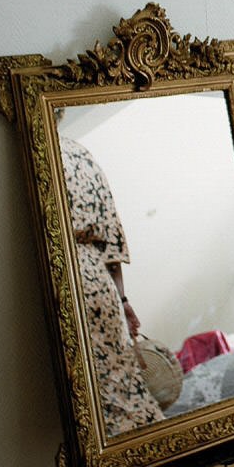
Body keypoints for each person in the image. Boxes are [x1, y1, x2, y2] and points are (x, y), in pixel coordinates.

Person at [59, 133, 165, 435]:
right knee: (121, 378)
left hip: (64, 273)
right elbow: (111, 239)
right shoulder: (82, 154)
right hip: (97, 278)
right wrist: (122, 300)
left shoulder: (37, 154)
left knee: (87, 391)